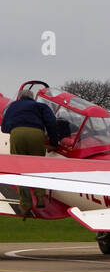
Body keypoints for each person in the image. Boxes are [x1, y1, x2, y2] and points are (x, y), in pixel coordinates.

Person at [1, 87, 59, 216]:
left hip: (17, 134)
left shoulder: (12, 106)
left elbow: (4, 127)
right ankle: (40, 197)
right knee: (38, 168)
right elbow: (52, 123)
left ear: (20, 97)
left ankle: (25, 205)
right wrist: (54, 143)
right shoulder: (41, 106)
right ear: (32, 97)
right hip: (37, 134)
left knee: (20, 171)